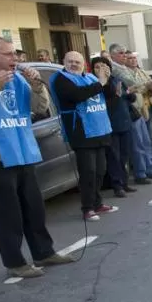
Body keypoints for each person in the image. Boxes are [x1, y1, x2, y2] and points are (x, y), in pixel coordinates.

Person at [0, 36, 75, 278]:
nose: (14, 58)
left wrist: (37, 85)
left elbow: (39, 107)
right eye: (8, 54)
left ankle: (44, 252)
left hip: (24, 151)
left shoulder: (18, 77)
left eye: (14, 54)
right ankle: (15, 262)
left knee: (34, 208)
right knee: (8, 213)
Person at [50, 51, 117, 222]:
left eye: (77, 61)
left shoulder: (90, 77)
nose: (74, 64)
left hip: (100, 130)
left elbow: (108, 95)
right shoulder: (61, 79)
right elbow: (76, 95)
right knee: (88, 172)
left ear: (83, 63)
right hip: (81, 132)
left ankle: (97, 203)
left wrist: (107, 79)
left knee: (101, 170)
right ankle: (87, 208)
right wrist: (100, 82)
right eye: (70, 61)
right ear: (64, 62)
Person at [92, 56, 135, 198]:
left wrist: (130, 93)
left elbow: (130, 98)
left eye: (104, 66)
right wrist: (108, 85)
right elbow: (109, 100)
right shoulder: (96, 84)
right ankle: (117, 185)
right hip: (110, 125)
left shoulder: (116, 80)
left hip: (124, 122)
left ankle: (124, 182)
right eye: (97, 67)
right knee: (114, 157)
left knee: (124, 155)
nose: (102, 70)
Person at [120, 49, 152, 184]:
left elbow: (151, 85)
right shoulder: (124, 73)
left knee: (149, 140)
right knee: (138, 142)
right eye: (130, 58)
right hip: (136, 110)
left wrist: (149, 87)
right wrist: (146, 86)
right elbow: (134, 87)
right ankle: (141, 172)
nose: (133, 60)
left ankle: (150, 167)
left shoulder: (141, 71)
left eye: (134, 58)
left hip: (147, 108)